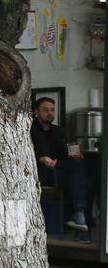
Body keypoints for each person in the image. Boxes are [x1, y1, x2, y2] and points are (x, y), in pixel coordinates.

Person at [30, 96, 89, 235]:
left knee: (81, 166)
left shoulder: (57, 130)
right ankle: (77, 216)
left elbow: (67, 148)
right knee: (78, 180)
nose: (50, 113)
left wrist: (76, 152)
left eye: (52, 110)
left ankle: (78, 213)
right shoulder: (30, 130)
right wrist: (42, 159)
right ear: (36, 111)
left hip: (61, 166)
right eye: (45, 110)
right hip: (43, 169)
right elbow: (27, 152)